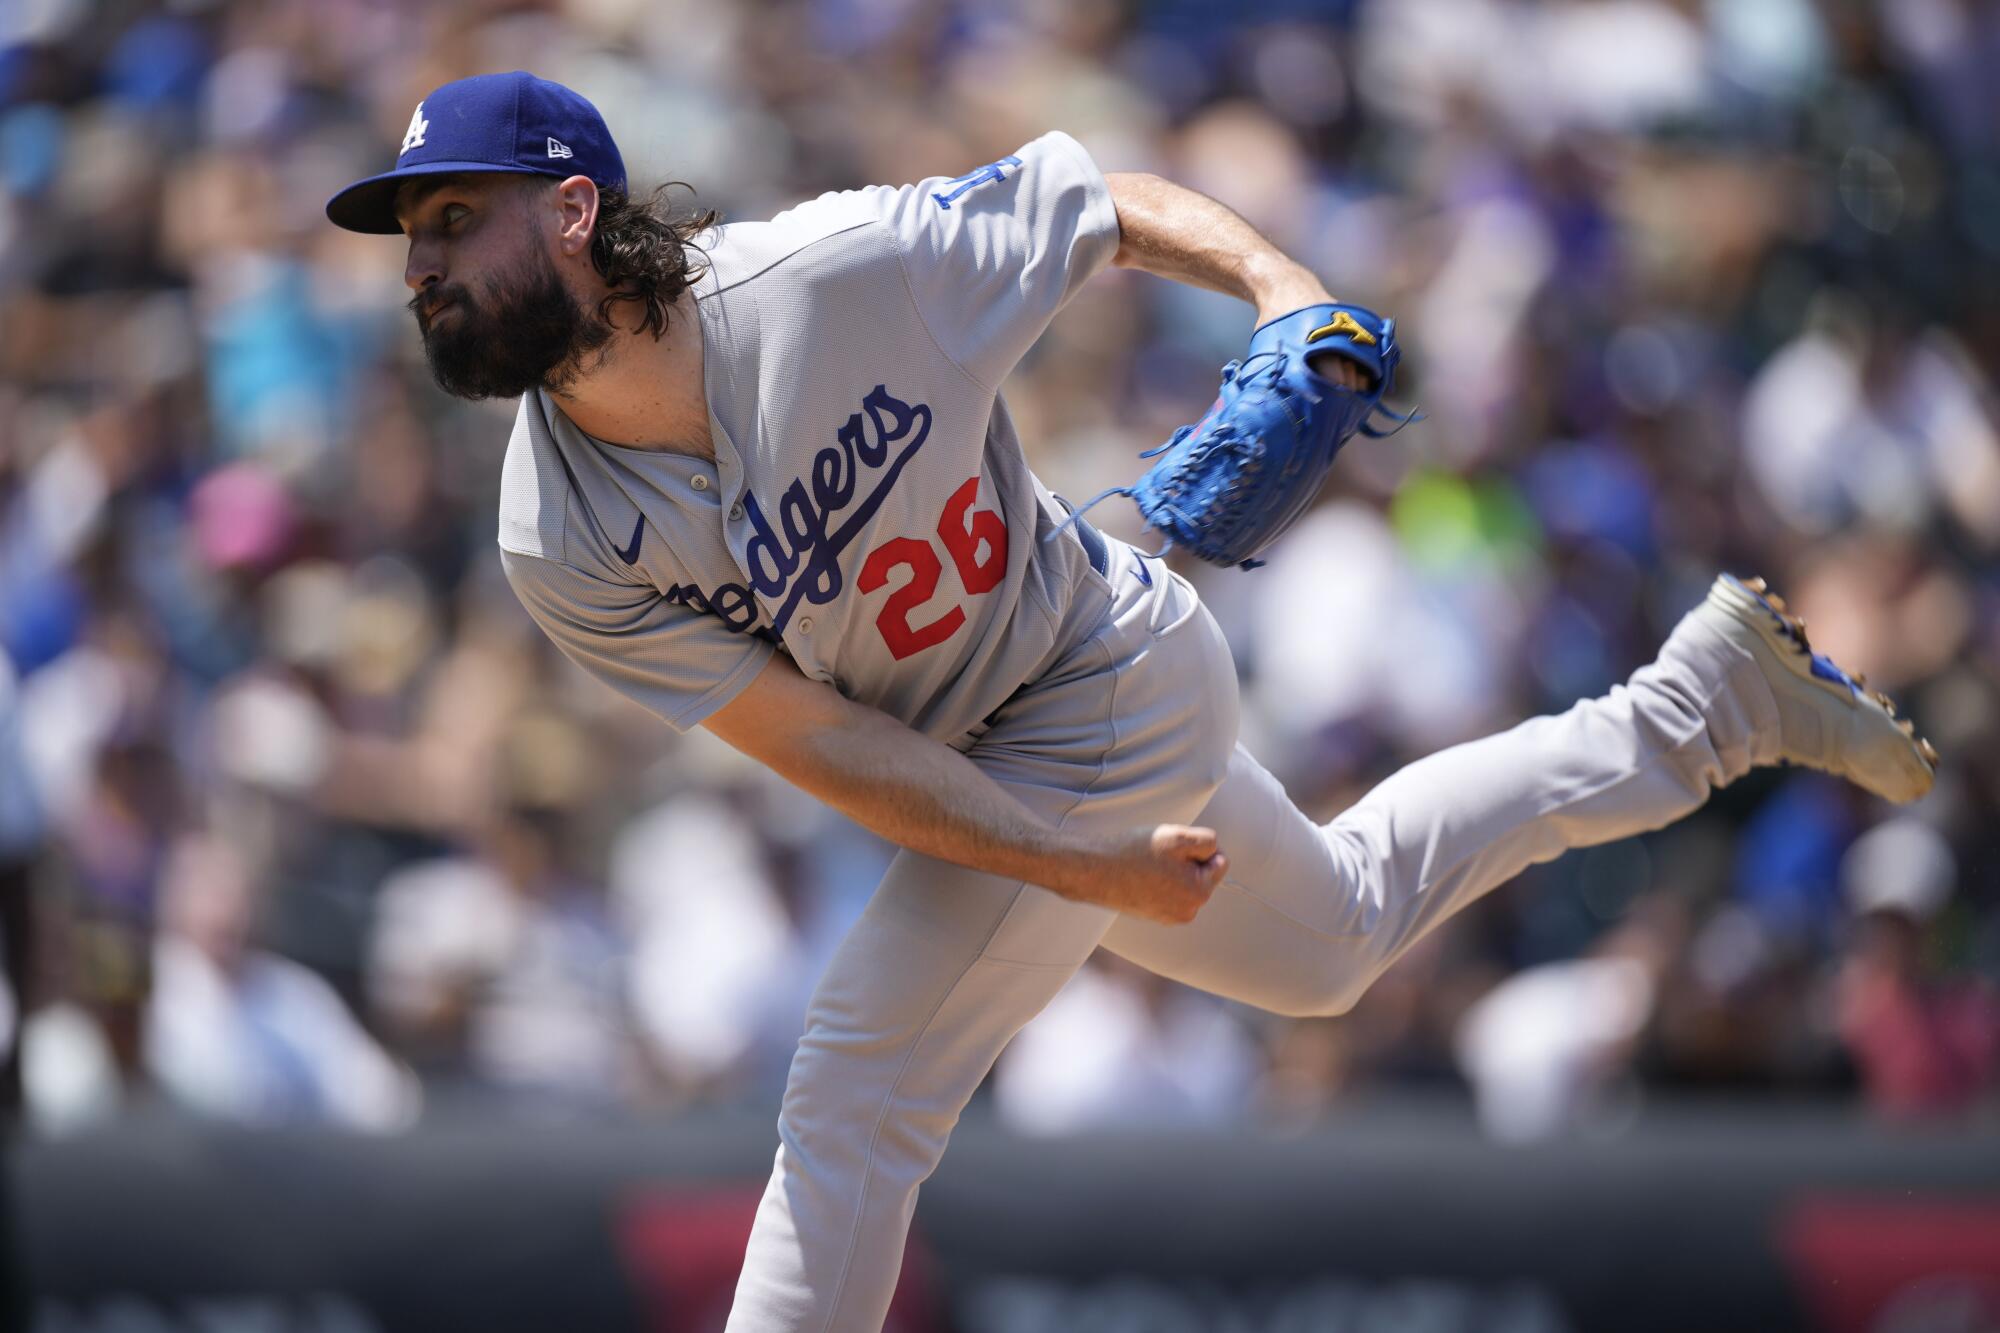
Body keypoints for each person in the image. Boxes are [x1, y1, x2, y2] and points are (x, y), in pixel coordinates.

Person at [327, 71, 1937, 1332]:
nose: (421, 268)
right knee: (1334, 940)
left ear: (572, 211)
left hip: (1095, 668)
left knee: (856, 1081)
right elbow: (832, 749)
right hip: (1004, 745)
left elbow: (1094, 203)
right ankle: (1708, 702)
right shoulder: (555, 531)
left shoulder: (832, 271)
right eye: (411, 238)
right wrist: (1084, 872)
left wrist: (1279, 284)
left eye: (451, 219)